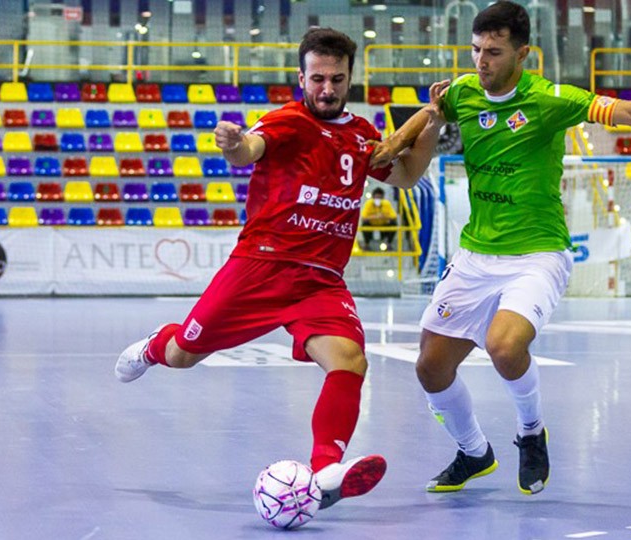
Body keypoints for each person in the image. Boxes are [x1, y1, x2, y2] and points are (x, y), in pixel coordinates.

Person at [373, 0, 631, 496]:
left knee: (504, 345)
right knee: (430, 368)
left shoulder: (549, 99)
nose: (481, 61)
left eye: (494, 52)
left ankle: (530, 431)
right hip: (476, 254)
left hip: (538, 254)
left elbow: (630, 111)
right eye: (475, 50)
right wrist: (395, 145)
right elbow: (428, 117)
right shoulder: (462, 93)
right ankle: (474, 453)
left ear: (524, 55)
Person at [114, 27, 443, 510]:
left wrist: (432, 121)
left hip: (321, 280)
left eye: (336, 78)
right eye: (317, 79)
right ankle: (155, 347)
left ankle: (326, 468)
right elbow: (250, 149)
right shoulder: (288, 121)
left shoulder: (360, 135)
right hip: (260, 269)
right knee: (186, 352)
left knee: (350, 361)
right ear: (301, 78)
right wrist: (232, 143)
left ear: (350, 77)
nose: (326, 88)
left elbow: (409, 174)